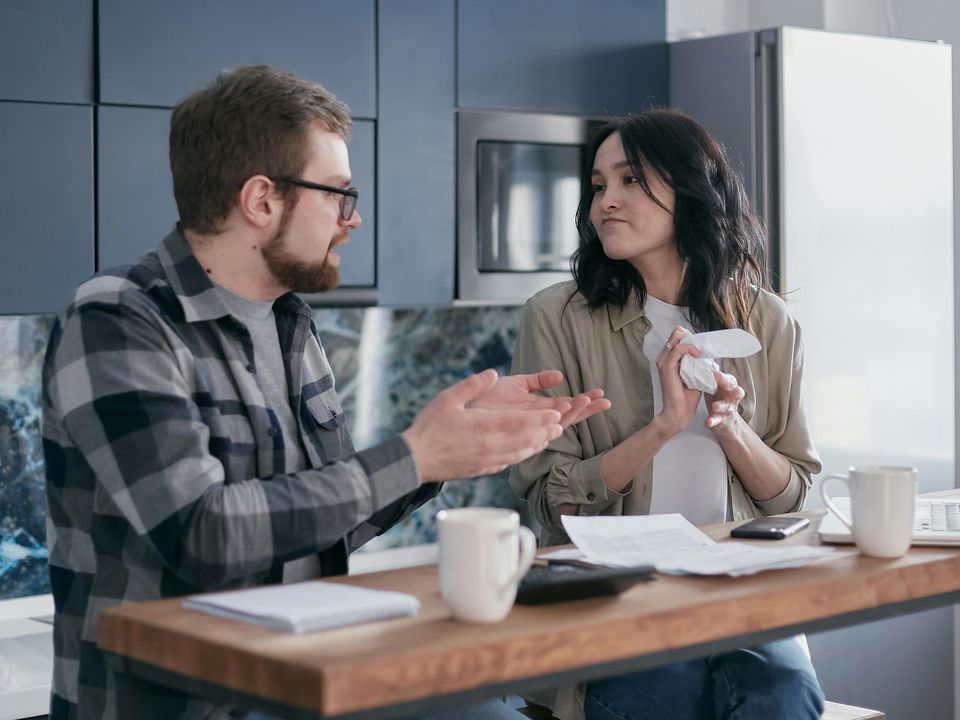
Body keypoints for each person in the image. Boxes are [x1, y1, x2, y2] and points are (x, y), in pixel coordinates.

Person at [41, 65, 610, 720]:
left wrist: (457, 446)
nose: (353, 218)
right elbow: (201, 535)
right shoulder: (117, 319)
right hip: (187, 702)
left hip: (307, 681)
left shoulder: (291, 324)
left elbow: (319, 520)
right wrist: (417, 455)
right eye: (338, 193)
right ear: (262, 201)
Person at [508, 109, 825, 720]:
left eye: (630, 180)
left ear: (692, 191)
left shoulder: (766, 322)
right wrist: (661, 428)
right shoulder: (556, 318)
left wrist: (728, 424)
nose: (607, 202)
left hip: (740, 594)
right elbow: (552, 502)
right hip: (618, 600)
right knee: (666, 696)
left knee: (785, 694)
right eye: (599, 185)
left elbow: (793, 499)